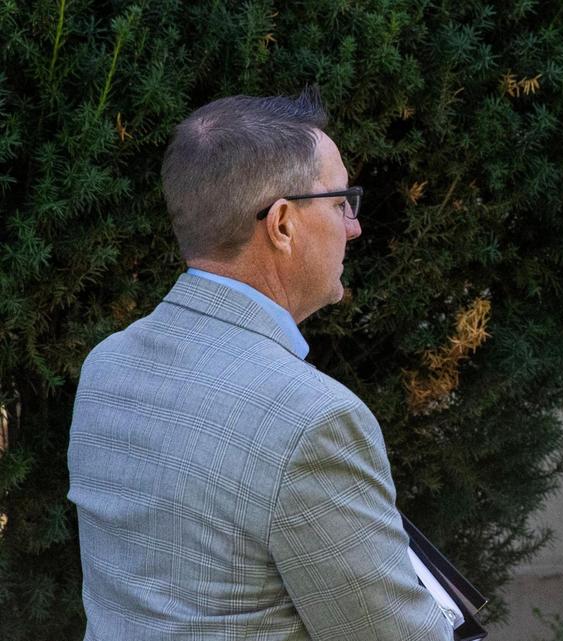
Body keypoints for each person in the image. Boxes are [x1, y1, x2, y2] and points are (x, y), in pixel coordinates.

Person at [68, 88, 453, 641]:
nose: (354, 227)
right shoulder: (312, 420)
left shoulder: (108, 367)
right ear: (282, 224)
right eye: (341, 202)